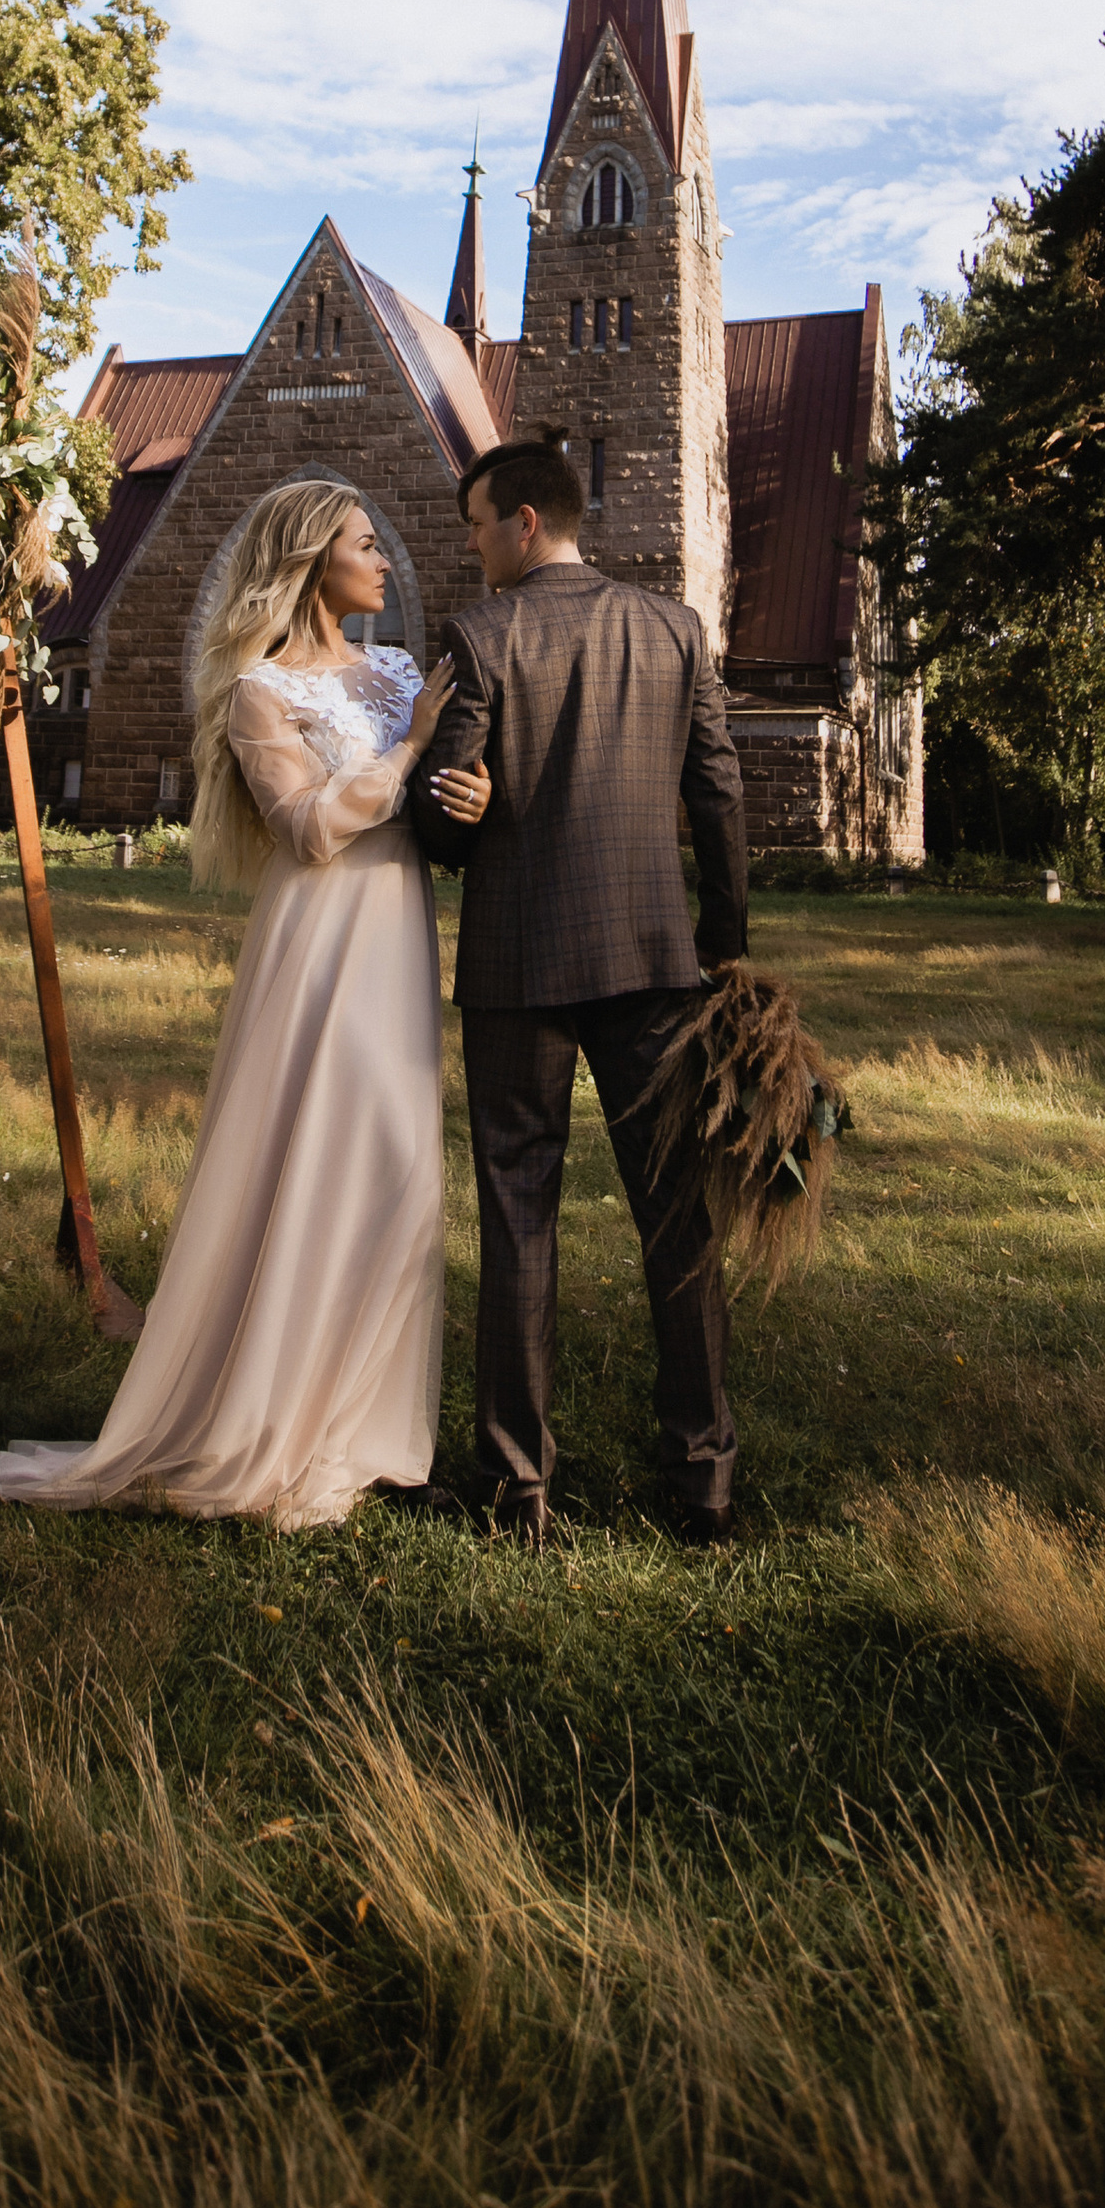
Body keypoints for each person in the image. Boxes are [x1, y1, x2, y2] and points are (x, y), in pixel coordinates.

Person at [0, 480, 488, 1531]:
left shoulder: (394, 671)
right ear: (307, 562)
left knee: (394, 1163)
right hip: (320, 939)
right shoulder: (260, 691)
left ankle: (364, 1417)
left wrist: (461, 789)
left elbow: (429, 800)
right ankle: (263, 1412)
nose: (383, 559)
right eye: (361, 542)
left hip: (396, 932)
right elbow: (304, 827)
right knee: (311, 1153)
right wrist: (406, 748)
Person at [405, 432, 749, 1548]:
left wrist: (446, 811)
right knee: (677, 1219)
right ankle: (702, 1480)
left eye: (474, 523)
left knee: (518, 1222)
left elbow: (440, 824)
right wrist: (723, 942)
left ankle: (519, 1492)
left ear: (525, 523)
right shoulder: (674, 628)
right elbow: (718, 792)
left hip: (517, 969)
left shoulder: (481, 635)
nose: (468, 544)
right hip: (655, 965)